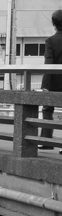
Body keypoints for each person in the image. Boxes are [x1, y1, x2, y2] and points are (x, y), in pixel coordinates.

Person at [40, 9, 62, 150]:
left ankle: (47, 141)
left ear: (54, 24)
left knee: (48, 109)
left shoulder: (51, 41)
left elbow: (49, 64)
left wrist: (45, 85)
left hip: (55, 82)